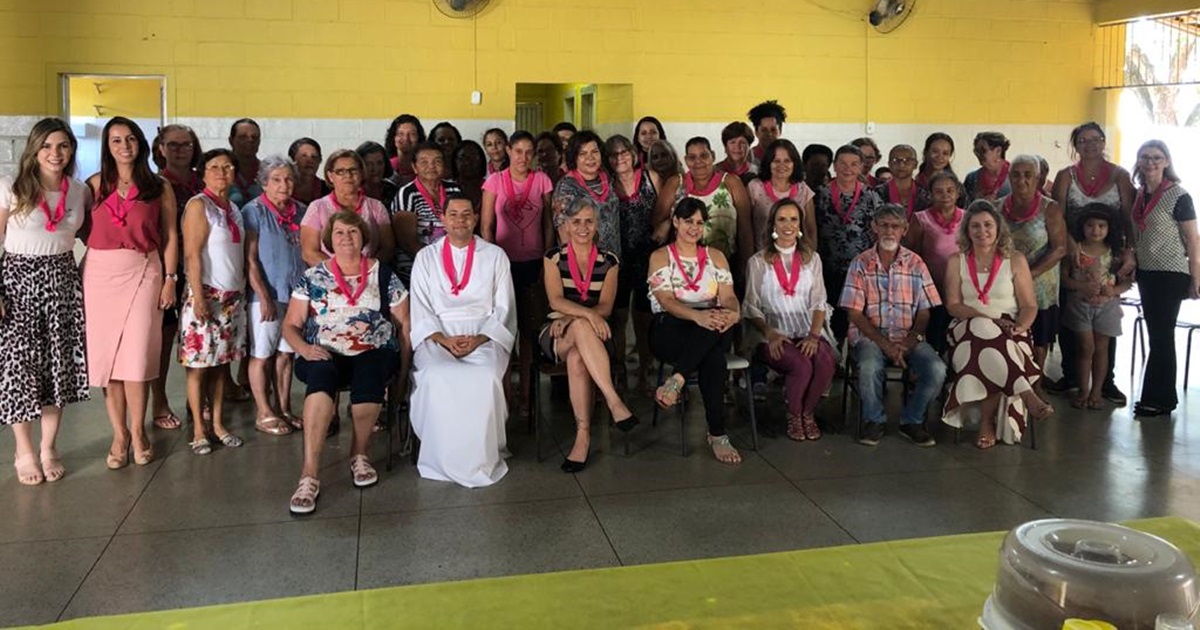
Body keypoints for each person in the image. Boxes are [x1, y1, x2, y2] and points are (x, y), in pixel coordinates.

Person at [282, 210, 410, 514]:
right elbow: (291, 324)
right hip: (324, 350)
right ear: (329, 240)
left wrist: (403, 371)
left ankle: (359, 454)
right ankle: (309, 474)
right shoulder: (314, 276)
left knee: (370, 374)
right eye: (339, 233)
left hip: (372, 349)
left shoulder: (382, 273)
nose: (346, 238)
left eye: (353, 232)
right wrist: (304, 348)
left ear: (364, 238)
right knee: (321, 378)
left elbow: (404, 324)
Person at [85, 117, 179, 469]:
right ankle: (119, 434)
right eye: (115, 140)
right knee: (110, 361)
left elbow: (170, 236)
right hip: (100, 276)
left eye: (130, 139)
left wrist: (170, 278)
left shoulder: (158, 187)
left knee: (137, 357)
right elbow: (74, 228)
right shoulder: (93, 185)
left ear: (140, 143)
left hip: (144, 270)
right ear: (107, 147)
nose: (124, 146)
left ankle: (139, 432)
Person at [0, 118, 90, 484]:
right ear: (35, 150)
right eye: (48, 146)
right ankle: (23, 450)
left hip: (62, 281)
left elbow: (92, 238)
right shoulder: (11, 186)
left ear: (71, 150)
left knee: (58, 367)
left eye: (63, 146)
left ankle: (49, 447)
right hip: (17, 282)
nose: (56, 154)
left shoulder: (80, 191)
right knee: (19, 371)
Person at [409, 195, 516, 487]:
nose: (460, 220)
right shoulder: (426, 257)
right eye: (453, 214)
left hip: (484, 334)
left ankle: (482, 456)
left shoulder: (495, 255)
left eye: (466, 214)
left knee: (482, 376)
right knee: (435, 374)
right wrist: (443, 339)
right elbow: (420, 308)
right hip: (438, 335)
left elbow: (504, 308)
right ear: (442, 218)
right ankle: (440, 455)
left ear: (475, 217)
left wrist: (480, 338)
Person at [941, 201, 1055, 448]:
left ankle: (986, 422)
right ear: (967, 230)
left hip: (1010, 329)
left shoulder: (1015, 259)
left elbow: (1029, 306)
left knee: (990, 347)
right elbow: (952, 304)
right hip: (966, 326)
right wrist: (985, 319)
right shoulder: (956, 260)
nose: (982, 231)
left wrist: (1020, 327)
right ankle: (1026, 393)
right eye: (975, 226)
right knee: (984, 331)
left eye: (988, 225)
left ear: (998, 228)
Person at [542, 198, 639, 472]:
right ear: (567, 225)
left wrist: (578, 317)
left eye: (589, 221)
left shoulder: (610, 261)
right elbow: (555, 301)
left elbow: (606, 307)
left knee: (577, 360)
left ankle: (582, 437)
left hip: (592, 335)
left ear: (597, 224)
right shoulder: (553, 258)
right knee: (580, 333)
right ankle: (613, 400)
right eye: (576, 222)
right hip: (556, 332)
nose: (583, 227)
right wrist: (587, 315)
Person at [839, 204, 943, 447]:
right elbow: (854, 313)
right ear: (874, 227)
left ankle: (912, 420)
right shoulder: (860, 263)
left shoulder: (916, 263)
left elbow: (925, 310)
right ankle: (874, 419)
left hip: (908, 335)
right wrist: (885, 344)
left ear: (904, 230)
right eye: (883, 225)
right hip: (871, 336)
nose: (889, 231)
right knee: (868, 365)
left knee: (937, 369)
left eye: (895, 226)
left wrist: (911, 339)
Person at [1046, 122, 1136, 404]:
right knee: (1072, 317)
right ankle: (1071, 376)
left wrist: (1129, 250)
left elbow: (1129, 216)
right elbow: (1057, 214)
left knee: (1104, 322)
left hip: (1110, 254)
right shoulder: (1065, 176)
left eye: (1095, 139)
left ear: (1103, 141)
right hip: (1073, 251)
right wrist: (1069, 243)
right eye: (1083, 140)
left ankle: (1104, 382)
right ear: (1076, 144)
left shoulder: (1120, 175)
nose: (1090, 144)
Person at [648, 198, 742, 464]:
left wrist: (733, 312)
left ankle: (676, 380)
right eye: (688, 221)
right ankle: (717, 434)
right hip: (673, 324)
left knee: (712, 332)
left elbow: (729, 297)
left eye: (700, 223)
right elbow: (665, 300)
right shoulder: (660, 257)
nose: (694, 228)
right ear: (676, 221)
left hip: (713, 323)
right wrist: (697, 316)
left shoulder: (716, 256)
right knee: (711, 357)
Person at [742, 198, 836, 441]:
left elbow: (819, 302)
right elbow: (750, 307)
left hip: (806, 329)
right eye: (782, 219)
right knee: (801, 365)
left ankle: (806, 413)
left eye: (793, 219)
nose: (788, 225)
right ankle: (794, 415)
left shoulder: (812, 259)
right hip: (770, 333)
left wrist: (814, 335)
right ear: (772, 223)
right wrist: (770, 332)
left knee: (825, 360)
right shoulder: (758, 262)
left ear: (800, 224)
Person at [178, 148, 246, 455]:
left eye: (228, 167)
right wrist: (199, 297)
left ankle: (218, 423)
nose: (222, 172)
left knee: (221, 365)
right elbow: (192, 254)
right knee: (199, 366)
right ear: (203, 173)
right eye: (215, 167)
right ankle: (199, 428)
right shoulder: (199, 205)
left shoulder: (232, 208)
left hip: (232, 298)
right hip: (206, 295)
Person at [481, 130, 554, 414]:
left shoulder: (542, 180)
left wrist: (547, 258)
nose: (523, 157)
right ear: (508, 151)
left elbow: (548, 222)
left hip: (534, 264)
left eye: (528, 151)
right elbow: (486, 226)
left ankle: (526, 396)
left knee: (527, 331)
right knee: (503, 331)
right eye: (518, 151)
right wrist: (489, 264)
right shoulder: (494, 181)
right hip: (502, 264)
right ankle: (505, 397)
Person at [1128, 140, 1200, 417]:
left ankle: (1160, 400)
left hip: (1171, 272)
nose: (1150, 162)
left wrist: (1196, 277)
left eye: (1157, 157)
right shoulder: (1139, 194)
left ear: (1167, 162)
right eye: (1145, 157)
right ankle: (1157, 397)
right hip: (1148, 272)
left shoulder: (1179, 196)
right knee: (1156, 334)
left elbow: (1192, 240)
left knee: (1162, 335)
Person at [242, 155, 307, 434]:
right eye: (277, 179)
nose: (284, 185)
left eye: (289, 178)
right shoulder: (253, 211)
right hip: (265, 297)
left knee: (286, 354)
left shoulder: (302, 211)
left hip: (295, 296)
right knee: (262, 354)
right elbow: (250, 260)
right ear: (264, 183)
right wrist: (264, 296)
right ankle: (263, 411)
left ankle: (283, 408)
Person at [150, 123, 202, 431]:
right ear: (160, 149)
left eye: (186, 144)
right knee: (165, 339)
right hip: (169, 270)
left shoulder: (203, 180)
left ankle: (199, 398)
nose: (180, 150)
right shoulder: (155, 184)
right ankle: (159, 400)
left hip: (202, 269)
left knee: (201, 336)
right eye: (173, 145)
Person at [1000, 155, 1067, 392]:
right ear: (1009, 177)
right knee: (1010, 332)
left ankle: (1035, 386)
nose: (1022, 180)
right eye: (1016, 175)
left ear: (1038, 178)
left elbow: (1059, 248)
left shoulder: (1050, 208)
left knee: (1039, 339)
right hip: (1006, 284)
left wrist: (1029, 274)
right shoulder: (998, 207)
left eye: (1028, 175)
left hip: (1041, 285)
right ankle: (1009, 380)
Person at [1061, 206, 1131, 409]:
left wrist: (1115, 290)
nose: (1096, 230)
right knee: (1085, 347)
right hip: (1079, 306)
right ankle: (1083, 390)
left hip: (1107, 307)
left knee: (1101, 349)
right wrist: (1081, 286)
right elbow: (1064, 279)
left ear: (1110, 228)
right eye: (1090, 225)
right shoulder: (1075, 250)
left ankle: (1097, 391)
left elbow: (1127, 283)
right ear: (1082, 227)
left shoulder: (1115, 253)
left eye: (1102, 226)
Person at [606, 134, 660, 392]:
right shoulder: (606, 184)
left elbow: (669, 210)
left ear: (633, 153)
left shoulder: (651, 178)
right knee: (617, 316)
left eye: (624, 152)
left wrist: (661, 230)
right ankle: (619, 372)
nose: (620, 158)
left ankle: (644, 371)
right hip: (616, 257)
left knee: (643, 316)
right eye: (614, 155)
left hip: (647, 256)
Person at [816, 144, 885, 343]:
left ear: (862, 167)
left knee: (856, 317)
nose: (848, 169)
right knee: (832, 316)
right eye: (843, 164)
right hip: (827, 266)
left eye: (854, 164)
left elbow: (877, 232)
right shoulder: (820, 194)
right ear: (834, 166)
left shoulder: (871, 196)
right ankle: (833, 355)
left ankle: (854, 355)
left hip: (860, 270)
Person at [662, 137, 753, 281]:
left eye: (704, 155)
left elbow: (745, 228)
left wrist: (746, 265)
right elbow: (657, 223)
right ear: (686, 160)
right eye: (692, 157)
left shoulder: (731, 182)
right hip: (682, 267)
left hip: (726, 265)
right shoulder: (676, 184)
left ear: (713, 156)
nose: (698, 162)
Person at [301, 149, 394, 267]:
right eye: (340, 171)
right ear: (330, 176)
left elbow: (388, 248)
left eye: (353, 170)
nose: (348, 176)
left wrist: (366, 270)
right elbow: (309, 253)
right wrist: (341, 272)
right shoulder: (317, 208)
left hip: (368, 277)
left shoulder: (376, 207)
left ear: (361, 173)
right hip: (330, 280)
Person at [905, 171, 966, 351]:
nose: (945, 195)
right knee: (935, 333)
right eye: (939, 191)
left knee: (956, 335)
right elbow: (912, 254)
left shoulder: (968, 217)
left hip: (960, 287)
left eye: (950, 190)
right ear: (930, 194)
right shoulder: (920, 218)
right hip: (931, 286)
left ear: (958, 192)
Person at [392, 142, 464, 280]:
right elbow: (408, 243)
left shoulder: (454, 190)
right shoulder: (407, 194)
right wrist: (436, 266)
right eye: (424, 162)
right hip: (417, 270)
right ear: (414, 167)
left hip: (453, 267)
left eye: (437, 161)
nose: (431, 166)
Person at [552, 131, 621, 257]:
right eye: (583, 154)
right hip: (584, 262)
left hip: (613, 258)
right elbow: (563, 229)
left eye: (595, 152)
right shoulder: (567, 186)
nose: (590, 158)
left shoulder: (608, 178)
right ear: (574, 157)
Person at [746, 139, 817, 252]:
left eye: (787, 161)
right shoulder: (754, 187)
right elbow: (746, 228)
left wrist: (810, 258)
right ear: (768, 163)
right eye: (776, 161)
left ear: (794, 163)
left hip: (797, 258)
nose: (782, 165)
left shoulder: (803, 189)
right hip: (762, 259)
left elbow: (811, 229)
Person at [875, 144, 930, 218]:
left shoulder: (925, 195)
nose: (901, 165)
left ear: (915, 164)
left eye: (908, 160)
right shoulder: (876, 193)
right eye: (895, 160)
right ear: (889, 164)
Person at [915, 133, 966, 210]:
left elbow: (966, 215)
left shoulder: (957, 187)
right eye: (935, 151)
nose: (940, 157)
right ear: (926, 152)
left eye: (945, 153)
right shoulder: (914, 185)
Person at [964, 132, 1012, 203]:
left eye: (983, 151)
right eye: (976, 151)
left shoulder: (1015, 176)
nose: (978, 155)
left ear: (998, 151)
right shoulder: (971, 179)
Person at [227, 118, 262, 207]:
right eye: (243, 137)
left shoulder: (267, 171)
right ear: (231, 141)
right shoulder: (221, 171)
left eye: (254, 137)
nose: (250, 140)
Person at [383, 113, 425, 185]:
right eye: (400, 134)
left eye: (412, 134)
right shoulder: (385, 165)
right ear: (393, 137)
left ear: (419, 137)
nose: (406, 138)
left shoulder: (424, 166)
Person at [356, 140, 397, 207]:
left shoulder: (392, 190)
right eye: (369, 164)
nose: (375, 168)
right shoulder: (353, 191)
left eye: (379, 163)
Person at [288, 137, 328, 205]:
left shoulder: (327, 189)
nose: (310, 160)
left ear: (320, 160)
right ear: (292, 160)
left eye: (314, 156)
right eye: (304, 156)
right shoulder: (284, 187)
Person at [450, 139, 487, 211]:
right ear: (455, 161)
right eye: (463, 158)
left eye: (474, 158)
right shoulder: (447, 187)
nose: (468, 162)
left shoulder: (490, 187)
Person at [747, 100, 786, 164]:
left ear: (780, 131)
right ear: (756, 132)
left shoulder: (788, 157)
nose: (769, 134)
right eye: (764, 130)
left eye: (773, 130)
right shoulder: (747, 158)